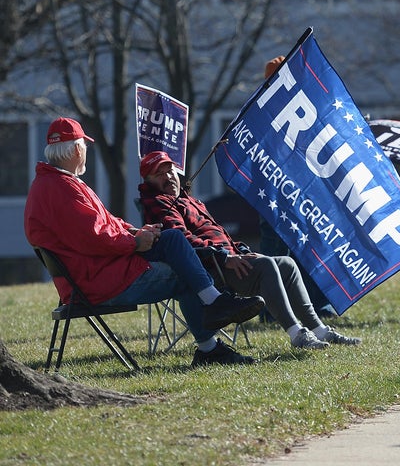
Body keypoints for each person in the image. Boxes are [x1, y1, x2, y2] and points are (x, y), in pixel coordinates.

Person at [24, 117, 265, 367]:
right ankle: (210, 337)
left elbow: (104, 224)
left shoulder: (53, 184)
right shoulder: (62, 188)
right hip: (98, 281)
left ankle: (214, 309)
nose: (85, 152)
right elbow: (94, 236)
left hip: (97, 271)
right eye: (84, 146)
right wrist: (135, 243)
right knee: (187, 273)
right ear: (76, 149)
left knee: (171, 239)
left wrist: (138, 232)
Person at [137, 151, 361, 350]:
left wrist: (240, 251)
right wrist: (224, 257)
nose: (168, 177)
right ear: (148, 181)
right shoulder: (158, 202)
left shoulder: (191, 200)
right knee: (266, 265)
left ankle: (319, 329)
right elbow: (184, 241)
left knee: (286, 263)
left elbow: (221, 236)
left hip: (228, 260)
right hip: (208, 270)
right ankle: (297, 334)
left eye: (170, 170)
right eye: (160, 174)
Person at [259, 55, 337, 319]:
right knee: (276, 251)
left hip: (307, 192)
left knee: (314, 246)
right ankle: (273, 311)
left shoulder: (310, 109)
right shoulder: (259, 114)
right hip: (273, 195)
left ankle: (318, 305)